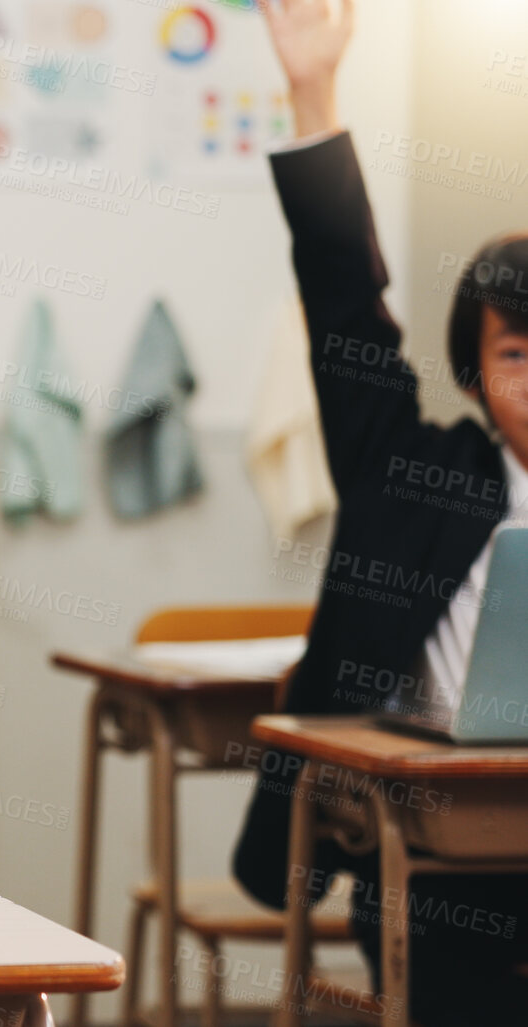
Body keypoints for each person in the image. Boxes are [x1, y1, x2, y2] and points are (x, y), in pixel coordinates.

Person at [234, 1, 528, 1018]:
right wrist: (314, 92)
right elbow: (344, 303)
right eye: (515, 355)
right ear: (474, 370)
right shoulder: (414, 471)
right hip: (438, 857)